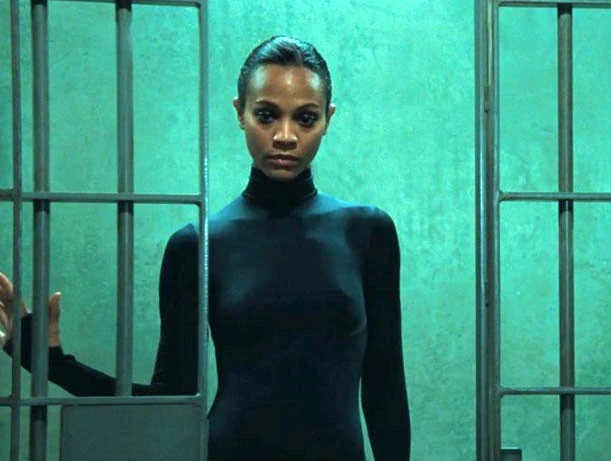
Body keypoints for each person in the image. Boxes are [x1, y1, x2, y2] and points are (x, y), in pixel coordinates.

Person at [1, 35, 411, 460]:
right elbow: (171, 401)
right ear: (240, 113)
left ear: (328, 119)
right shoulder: (196, 245)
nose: (285, 136)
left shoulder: (368, 232)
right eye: (267, 115)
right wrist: (53, 364)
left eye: (305, 118)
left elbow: (385, 388)